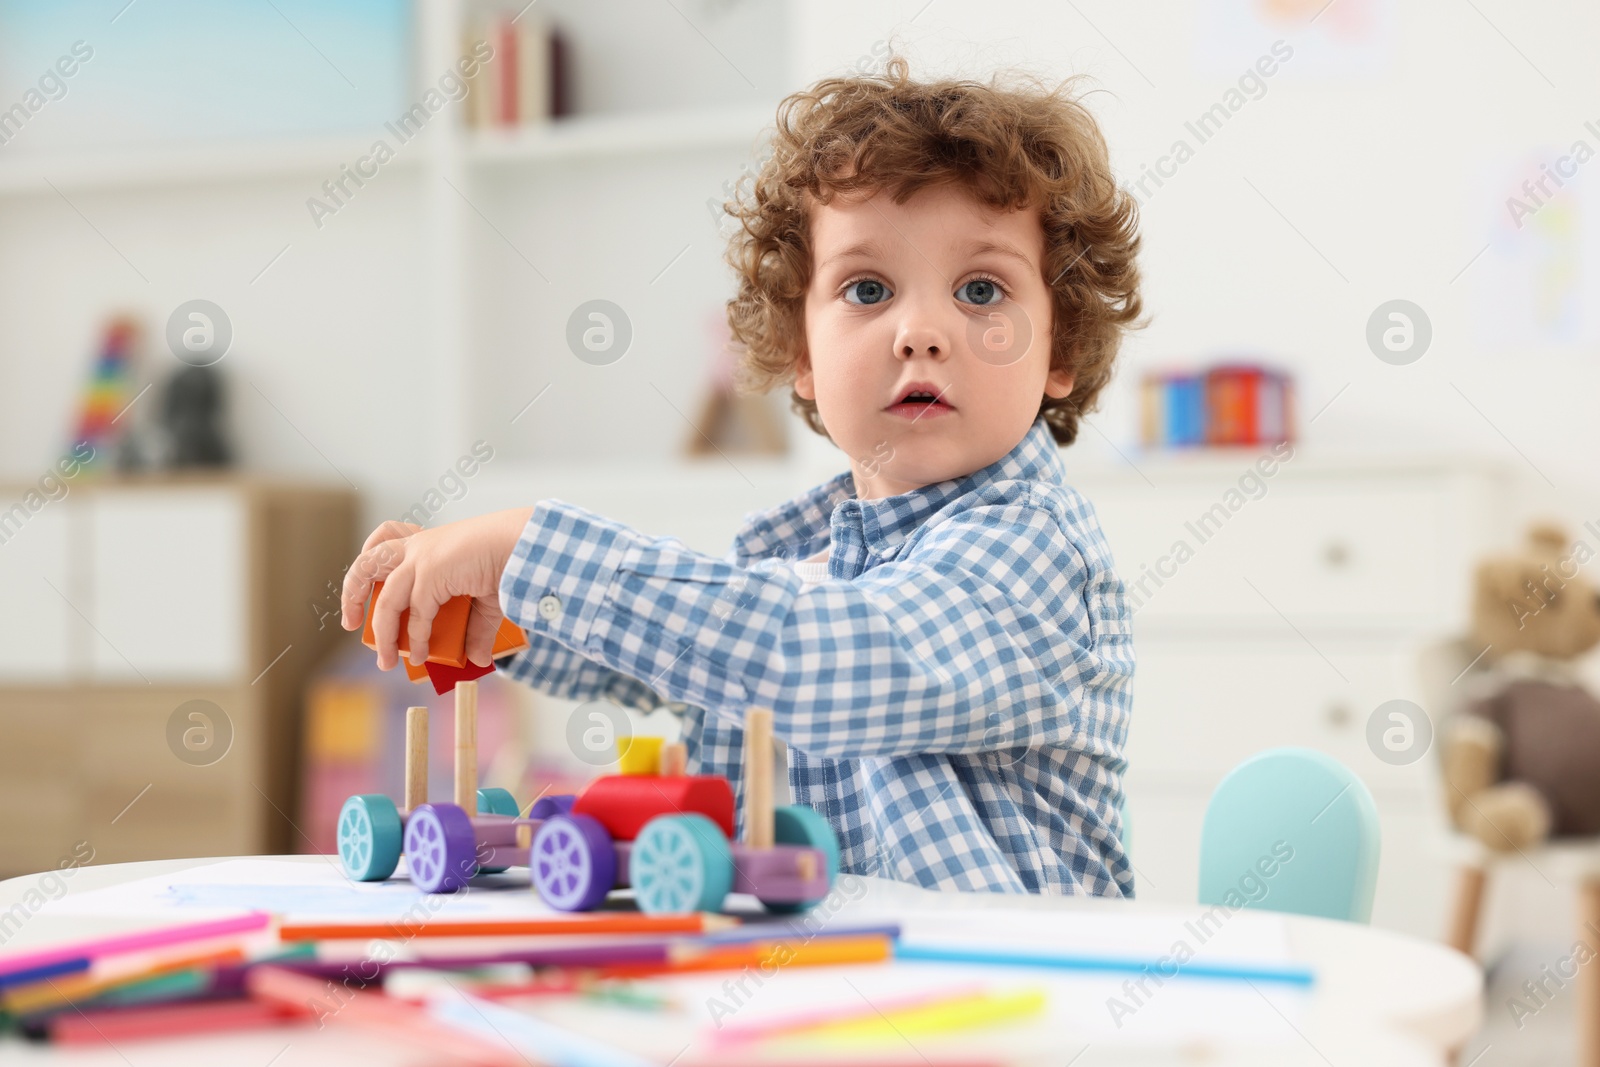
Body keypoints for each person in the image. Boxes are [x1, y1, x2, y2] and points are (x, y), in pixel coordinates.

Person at [341, 55, 1142, 896]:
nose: (920, 331)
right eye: (867, 288)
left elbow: (814, 657)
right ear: (801, 351)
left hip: (1026, 1002)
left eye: (981, 288)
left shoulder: (1033, 552)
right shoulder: (812, 562)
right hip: (850, 996)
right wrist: (510, 607)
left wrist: (531, 548)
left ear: (1064, 349)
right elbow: (678, 659)